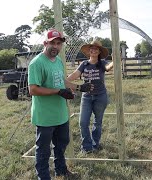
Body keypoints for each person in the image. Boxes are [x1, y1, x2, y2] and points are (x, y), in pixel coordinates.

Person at [28, 29, 92, 180]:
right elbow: (33, 89)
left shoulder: (58, 61)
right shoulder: (36, 63)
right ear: (45, 43)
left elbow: (62, 81)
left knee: (61, 145)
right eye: (53, 43)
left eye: (59, 43)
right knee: (43, 151)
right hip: (45, 116)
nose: (56, 46)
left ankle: (61, 171)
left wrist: (79, 87)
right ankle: (43, 177)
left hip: (61, 114)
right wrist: (58, 92)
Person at [67, 40, 114, 153]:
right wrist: (66, 80)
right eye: (91, 48)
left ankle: (95, 144)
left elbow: (108, 67)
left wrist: (116, 60)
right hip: (86, 97)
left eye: (96, 49)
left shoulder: (102, 63)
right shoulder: (84, 64)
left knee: (97, 122)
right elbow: (76, 74)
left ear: (99, 52)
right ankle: (87, 147)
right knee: (83, 122)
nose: (93, 50)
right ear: (89, 51)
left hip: (100, 96)